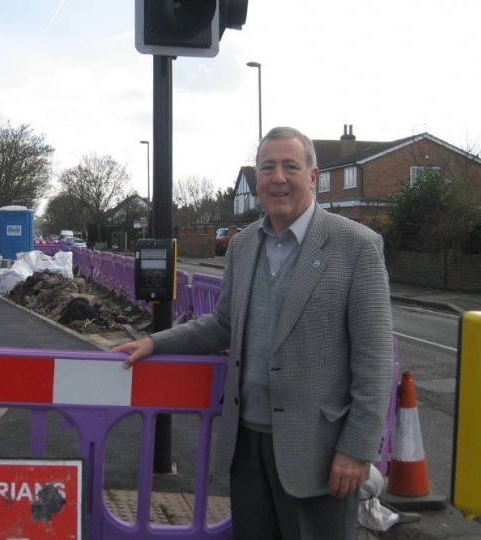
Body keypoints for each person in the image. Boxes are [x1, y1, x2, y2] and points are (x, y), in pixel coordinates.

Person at [114, 126, 393, 540]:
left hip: (320, 452)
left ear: (313, 177)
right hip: (246, 444)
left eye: (290, 167)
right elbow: (223, 323)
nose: (277, 177)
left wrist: (356, 450)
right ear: (257, 179)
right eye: (267, 168)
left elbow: (374, 358)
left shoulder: (357, 246)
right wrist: (156, 342)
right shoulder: (243, 246)